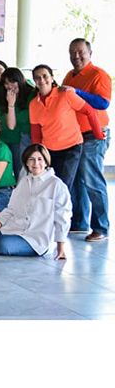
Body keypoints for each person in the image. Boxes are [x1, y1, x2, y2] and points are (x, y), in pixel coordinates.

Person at [0, 144, 71, 259]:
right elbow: (11, 208)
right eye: (31, 159)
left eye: (40, 159)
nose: (36, 163)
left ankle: (7, 244)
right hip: (15, 229)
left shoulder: (56, 185)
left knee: (2, 245)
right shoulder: (24, 182)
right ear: (26, 163)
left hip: (36, 239)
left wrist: (61, 248)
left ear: (46, 162)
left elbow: (62, 217)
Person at [62, 38, 111, 242]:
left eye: (80, 52)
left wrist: (77, 92)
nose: (76, 56)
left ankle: (101, 227)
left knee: (92, 180)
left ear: (90, 53)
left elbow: (103, 103)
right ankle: (80, 223)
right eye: (72, 52)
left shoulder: (98, 74)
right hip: (75, 135)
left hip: (94, 134)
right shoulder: (69, 75)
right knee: (76, 180)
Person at [29, 63, 103, 194]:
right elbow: (36, 133)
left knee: (62, 187)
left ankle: (62, 208)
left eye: (45, 76)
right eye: (37, 78)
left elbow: (90, 111)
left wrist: (99, 136)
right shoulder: (33, 104)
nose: (42, 80)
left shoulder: (65, 95)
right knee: (51, 186)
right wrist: (38, 154)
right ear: (34, 81)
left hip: (70, 147)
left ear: (52, 78)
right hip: (49, 151)